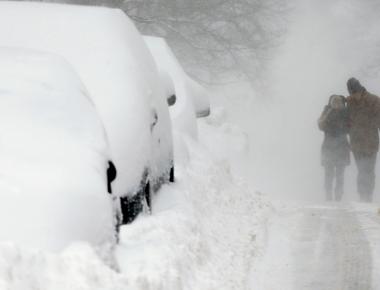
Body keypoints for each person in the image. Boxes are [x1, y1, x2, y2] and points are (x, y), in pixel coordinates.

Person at [346, 78, 380, 202]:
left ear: (360, 89)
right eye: (351, 93)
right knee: (361, 169)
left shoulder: (374, 100)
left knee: (369, 170)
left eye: (355, 93)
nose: (354, 96)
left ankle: (369, 195)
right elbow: (345, 119)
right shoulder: (348, 102)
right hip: (356, 143)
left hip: (371, 141)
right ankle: (362, 195)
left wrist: (368, 123)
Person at [318, 95, 350, 201]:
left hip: (341, 147)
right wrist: (328, 112)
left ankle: (338, 195)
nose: (336, 105)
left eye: (338, 103)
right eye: (334, 102)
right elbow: (320, 125)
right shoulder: (328, 112)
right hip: (329, 147)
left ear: (342, 104)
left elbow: (350, 127)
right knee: (328, 173)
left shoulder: (345, 113)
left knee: (340, 173)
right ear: (331, 103)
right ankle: (328, 194)